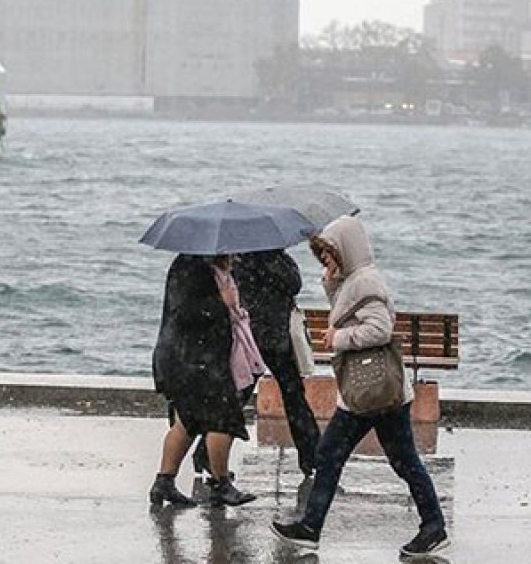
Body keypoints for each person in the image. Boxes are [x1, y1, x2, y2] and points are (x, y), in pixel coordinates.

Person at [269, 216, 449, 557]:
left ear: (346, 250)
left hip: (372, 391)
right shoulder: (354, 279)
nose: (324, 259)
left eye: (329, 252)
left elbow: (380, 330)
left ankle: (312, 528)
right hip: (371, 392)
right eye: (320, 254)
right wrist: (331, 283)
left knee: (343, 455)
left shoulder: (366, 282)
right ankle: (431, 525)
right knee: (389, 459)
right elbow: (350, 309)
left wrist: (340, 338)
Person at [149, 253, 261, 508]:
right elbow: (185, 312)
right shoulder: (190, 266)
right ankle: (221, 483)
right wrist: (221, 301)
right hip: (193, 359)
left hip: (197, 358)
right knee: (222, 420)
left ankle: (164, 481)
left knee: (187, 422)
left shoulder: (209, 266)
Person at [230, 249, 320, 477]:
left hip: (252, 335)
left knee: (239, 396)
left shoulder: (239, 258)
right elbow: (294, 284)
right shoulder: (275, 258)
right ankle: (312, 456)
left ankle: (206, 454)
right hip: (275, 337)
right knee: (294, 397)